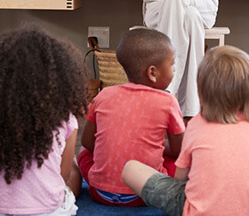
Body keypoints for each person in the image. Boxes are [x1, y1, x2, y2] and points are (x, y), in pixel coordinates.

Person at [122, 46, 249, 216]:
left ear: (203, 93)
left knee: (131, 168)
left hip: (196, 209)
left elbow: (179, 179)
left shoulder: (196, 123)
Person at [0, 27, 88, 216]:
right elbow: (63, 173)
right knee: (73, 173)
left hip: (0, 209)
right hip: (49, 211)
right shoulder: (66, 120)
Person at [78, 28, 185, 206]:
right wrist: (157, 147)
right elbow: (179, 151)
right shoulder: (167, 101)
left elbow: (88, 144)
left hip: (99, 192)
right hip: (143, 195)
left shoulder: (103, 95)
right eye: (172, 64)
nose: (174, 70)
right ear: (153, 72)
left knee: (83, 154)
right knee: (179, 162)